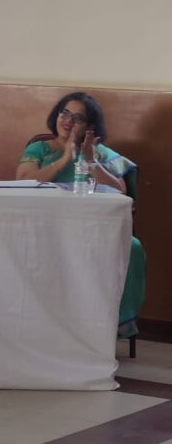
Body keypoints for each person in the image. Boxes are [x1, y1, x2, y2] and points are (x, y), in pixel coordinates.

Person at [17, 91, 145, 338]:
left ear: (90, 126)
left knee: (133, 247)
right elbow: (23, 180)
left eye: (78, 117)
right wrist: (66, 158)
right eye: (64, 113)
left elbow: (120, 190)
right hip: (44, 226)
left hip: (93, 229)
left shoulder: (100, 153)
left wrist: (90, 160)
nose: (68, 120)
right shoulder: (40, 148)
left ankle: (107, 326)